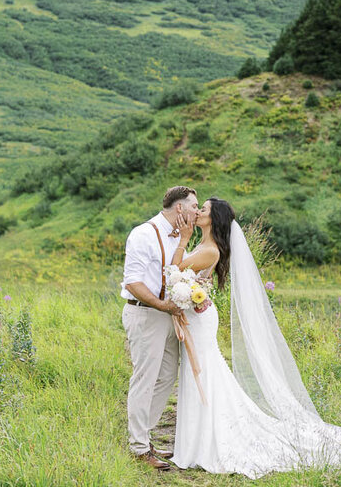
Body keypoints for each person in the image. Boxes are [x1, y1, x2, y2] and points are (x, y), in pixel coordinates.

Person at [168, 197, 341, 478]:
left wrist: (182, 242)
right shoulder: (204, 244)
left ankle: (205, 442)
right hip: (198, 314)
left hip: (201, 319)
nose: (197, 212)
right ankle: (197, 441)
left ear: (212, 218)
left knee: (205, 373)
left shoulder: (209, 249)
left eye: (202, 209)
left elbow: (174, 270)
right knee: (203, 374)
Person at [120, 185, 199, 470]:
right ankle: (139, 448)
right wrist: (162, 305)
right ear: (179, 208)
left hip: (169, 316)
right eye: (193, 206)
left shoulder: (179, 237)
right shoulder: (143, 234)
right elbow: (133, 282)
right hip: (145, 314)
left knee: (167, 375)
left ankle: (143, 436)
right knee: (145, 377)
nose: (197, 211)